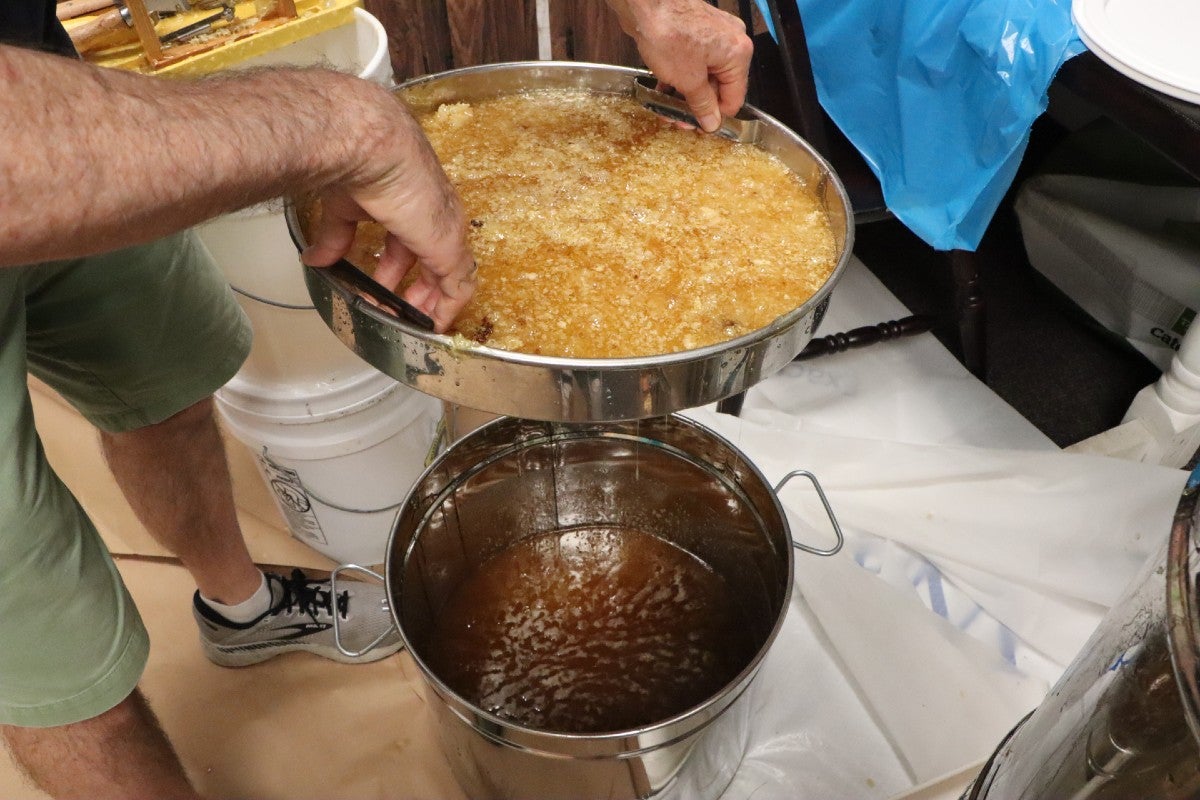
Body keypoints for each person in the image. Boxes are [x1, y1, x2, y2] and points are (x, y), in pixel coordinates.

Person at [0, 1, 753, 797]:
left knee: (170, 392)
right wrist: (346, 124)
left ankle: (241, 610)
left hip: (54, 87)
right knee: (61, 671)